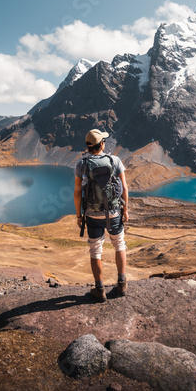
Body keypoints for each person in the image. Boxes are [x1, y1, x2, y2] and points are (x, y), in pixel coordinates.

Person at [74, 129, 129, 301]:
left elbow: (77, 192)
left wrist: (79, 216)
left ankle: (99, 289)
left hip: (92, 214)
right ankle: (121, 283)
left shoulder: (81, 163)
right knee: (119, 244)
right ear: (102, 144)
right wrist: (125, 210)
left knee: (95, 250)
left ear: (88, 146)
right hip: (113, 213)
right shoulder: (115, 160)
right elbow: (124, 188)